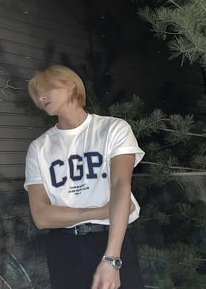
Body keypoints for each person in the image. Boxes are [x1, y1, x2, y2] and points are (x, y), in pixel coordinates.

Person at [24, 64, 145, 289]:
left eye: (46, 89)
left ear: (70, 86)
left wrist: (111, 259)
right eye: (37, 94)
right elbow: (41, 217)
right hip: (63, 246)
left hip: (111, 239)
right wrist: (101, 211)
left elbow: (120, 186)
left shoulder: (113, 129)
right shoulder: (39, 147)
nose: (41, 97)